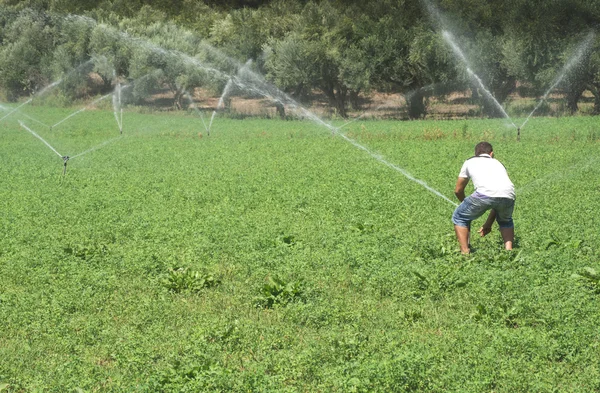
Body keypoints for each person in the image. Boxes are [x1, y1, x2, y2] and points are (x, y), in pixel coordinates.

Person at [452, 142, 515, 254]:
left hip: (483, 195)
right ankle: (509, 252)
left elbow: (458, 190)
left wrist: (466, 204)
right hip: (509, 195)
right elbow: (497, 199)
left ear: (476, 154)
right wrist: (488, 224)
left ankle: (465, 253)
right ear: (491, 153)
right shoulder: (498, 163)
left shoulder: (470, 161)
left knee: (460, 217)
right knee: (506, 221)